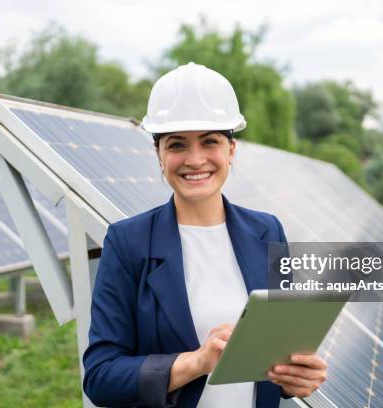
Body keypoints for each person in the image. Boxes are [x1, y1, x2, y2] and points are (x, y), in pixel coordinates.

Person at [82, 62, 327, 407]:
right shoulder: (128, 242)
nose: (195, 160)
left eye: (209, 141)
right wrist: (195, 362)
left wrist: (297, 378)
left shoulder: (267, 230)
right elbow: (101, 377)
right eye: (177, 145)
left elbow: (280, 353)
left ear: (231, 150)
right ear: (159, 154)